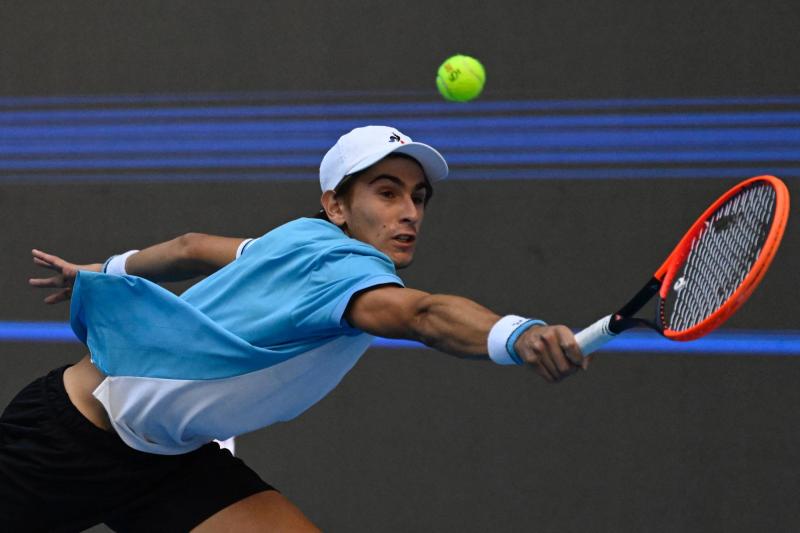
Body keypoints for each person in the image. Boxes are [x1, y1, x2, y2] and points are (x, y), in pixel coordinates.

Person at [0, 125, 587, 532]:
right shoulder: (346, 272)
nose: (409, 211)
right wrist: (517, 334)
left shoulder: (292, 239)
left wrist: (103, 269)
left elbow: (192, 247)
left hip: (169, 460)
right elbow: (423, 315)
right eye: (386, 192)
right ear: (336, 205)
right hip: (68, 441)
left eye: (418, 196)